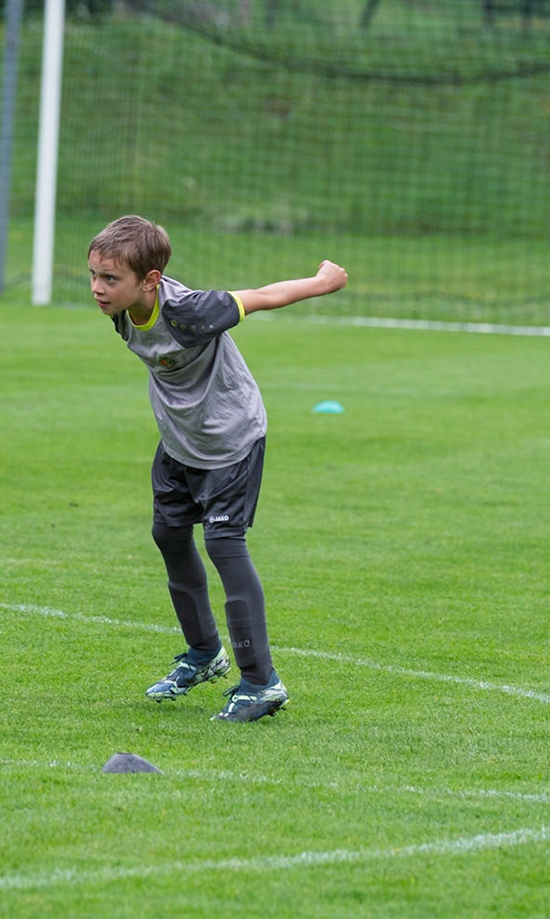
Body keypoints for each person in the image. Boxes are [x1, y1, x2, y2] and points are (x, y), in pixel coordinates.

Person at [86, 214, 348, 723]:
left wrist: (322, 282)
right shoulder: (120, 308)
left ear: (150, 280)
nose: (97, 288)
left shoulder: (190, 311)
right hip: (180, 441)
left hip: (230, 440)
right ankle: (205, 653)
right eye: (93, 275)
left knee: (225, 545)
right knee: (168, 534)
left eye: (110, 279)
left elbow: (262, 296)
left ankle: (261, 683)